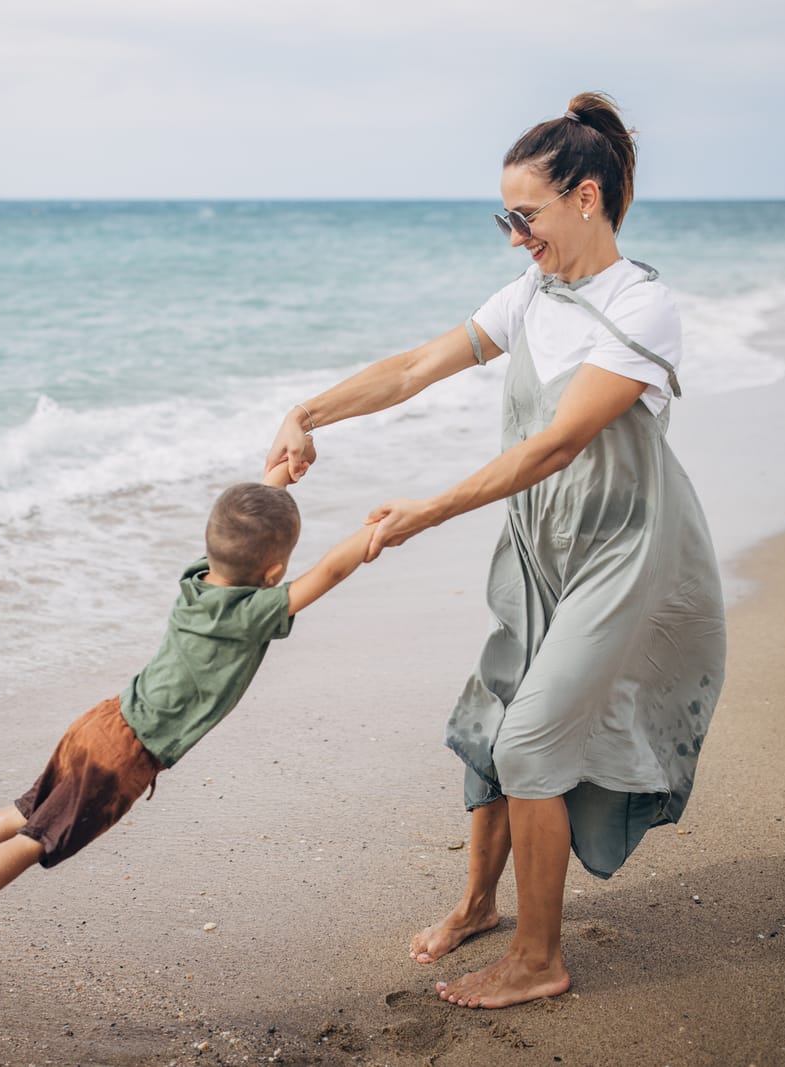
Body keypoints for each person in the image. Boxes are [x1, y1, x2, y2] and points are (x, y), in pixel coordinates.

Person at [264, 91, 727, 1009]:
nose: (515, 237)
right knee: (489, 727)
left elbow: (553, 446)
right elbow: (413, 366)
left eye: (526, 216)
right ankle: (481, 903)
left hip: (619, 553)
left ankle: (539, 957)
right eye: (504, 218)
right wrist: (307, 411)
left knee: (532, 743)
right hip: (537, 544)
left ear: (585, 199)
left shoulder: (642, 307)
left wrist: (427, 510)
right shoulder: (533, 295)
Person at [0, 462, 376, 982]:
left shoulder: (198, 581)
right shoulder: (249, 613)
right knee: (38, 837)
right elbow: (328, 573)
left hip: (103, 719)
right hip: (124, 756)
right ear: (272, 574)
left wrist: (275, 478)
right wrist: (377, 532)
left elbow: (242, 528)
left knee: (27, 809)